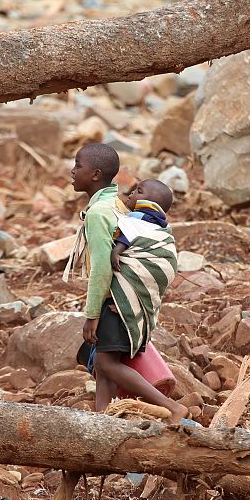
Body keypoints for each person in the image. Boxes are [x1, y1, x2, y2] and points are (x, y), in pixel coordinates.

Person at [67, 143, 188, 423]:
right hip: (128, 299)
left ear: (96, 174)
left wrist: (91, 316)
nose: (72, 171)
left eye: (78, 165)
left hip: (116, 300)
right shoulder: (119, 205)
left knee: (106, 363)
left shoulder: (99, 213)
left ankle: (171, 408)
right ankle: (103, 421)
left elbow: (101, 269)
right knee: (103, 364)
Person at [110, 179, 173, 273]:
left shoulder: (139, 217)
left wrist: (116, 251)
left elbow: (130, 233)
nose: (132, 192)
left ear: (149, 203)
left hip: (146, 266)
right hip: (165, 268)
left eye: (139, 191)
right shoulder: (158, 222)